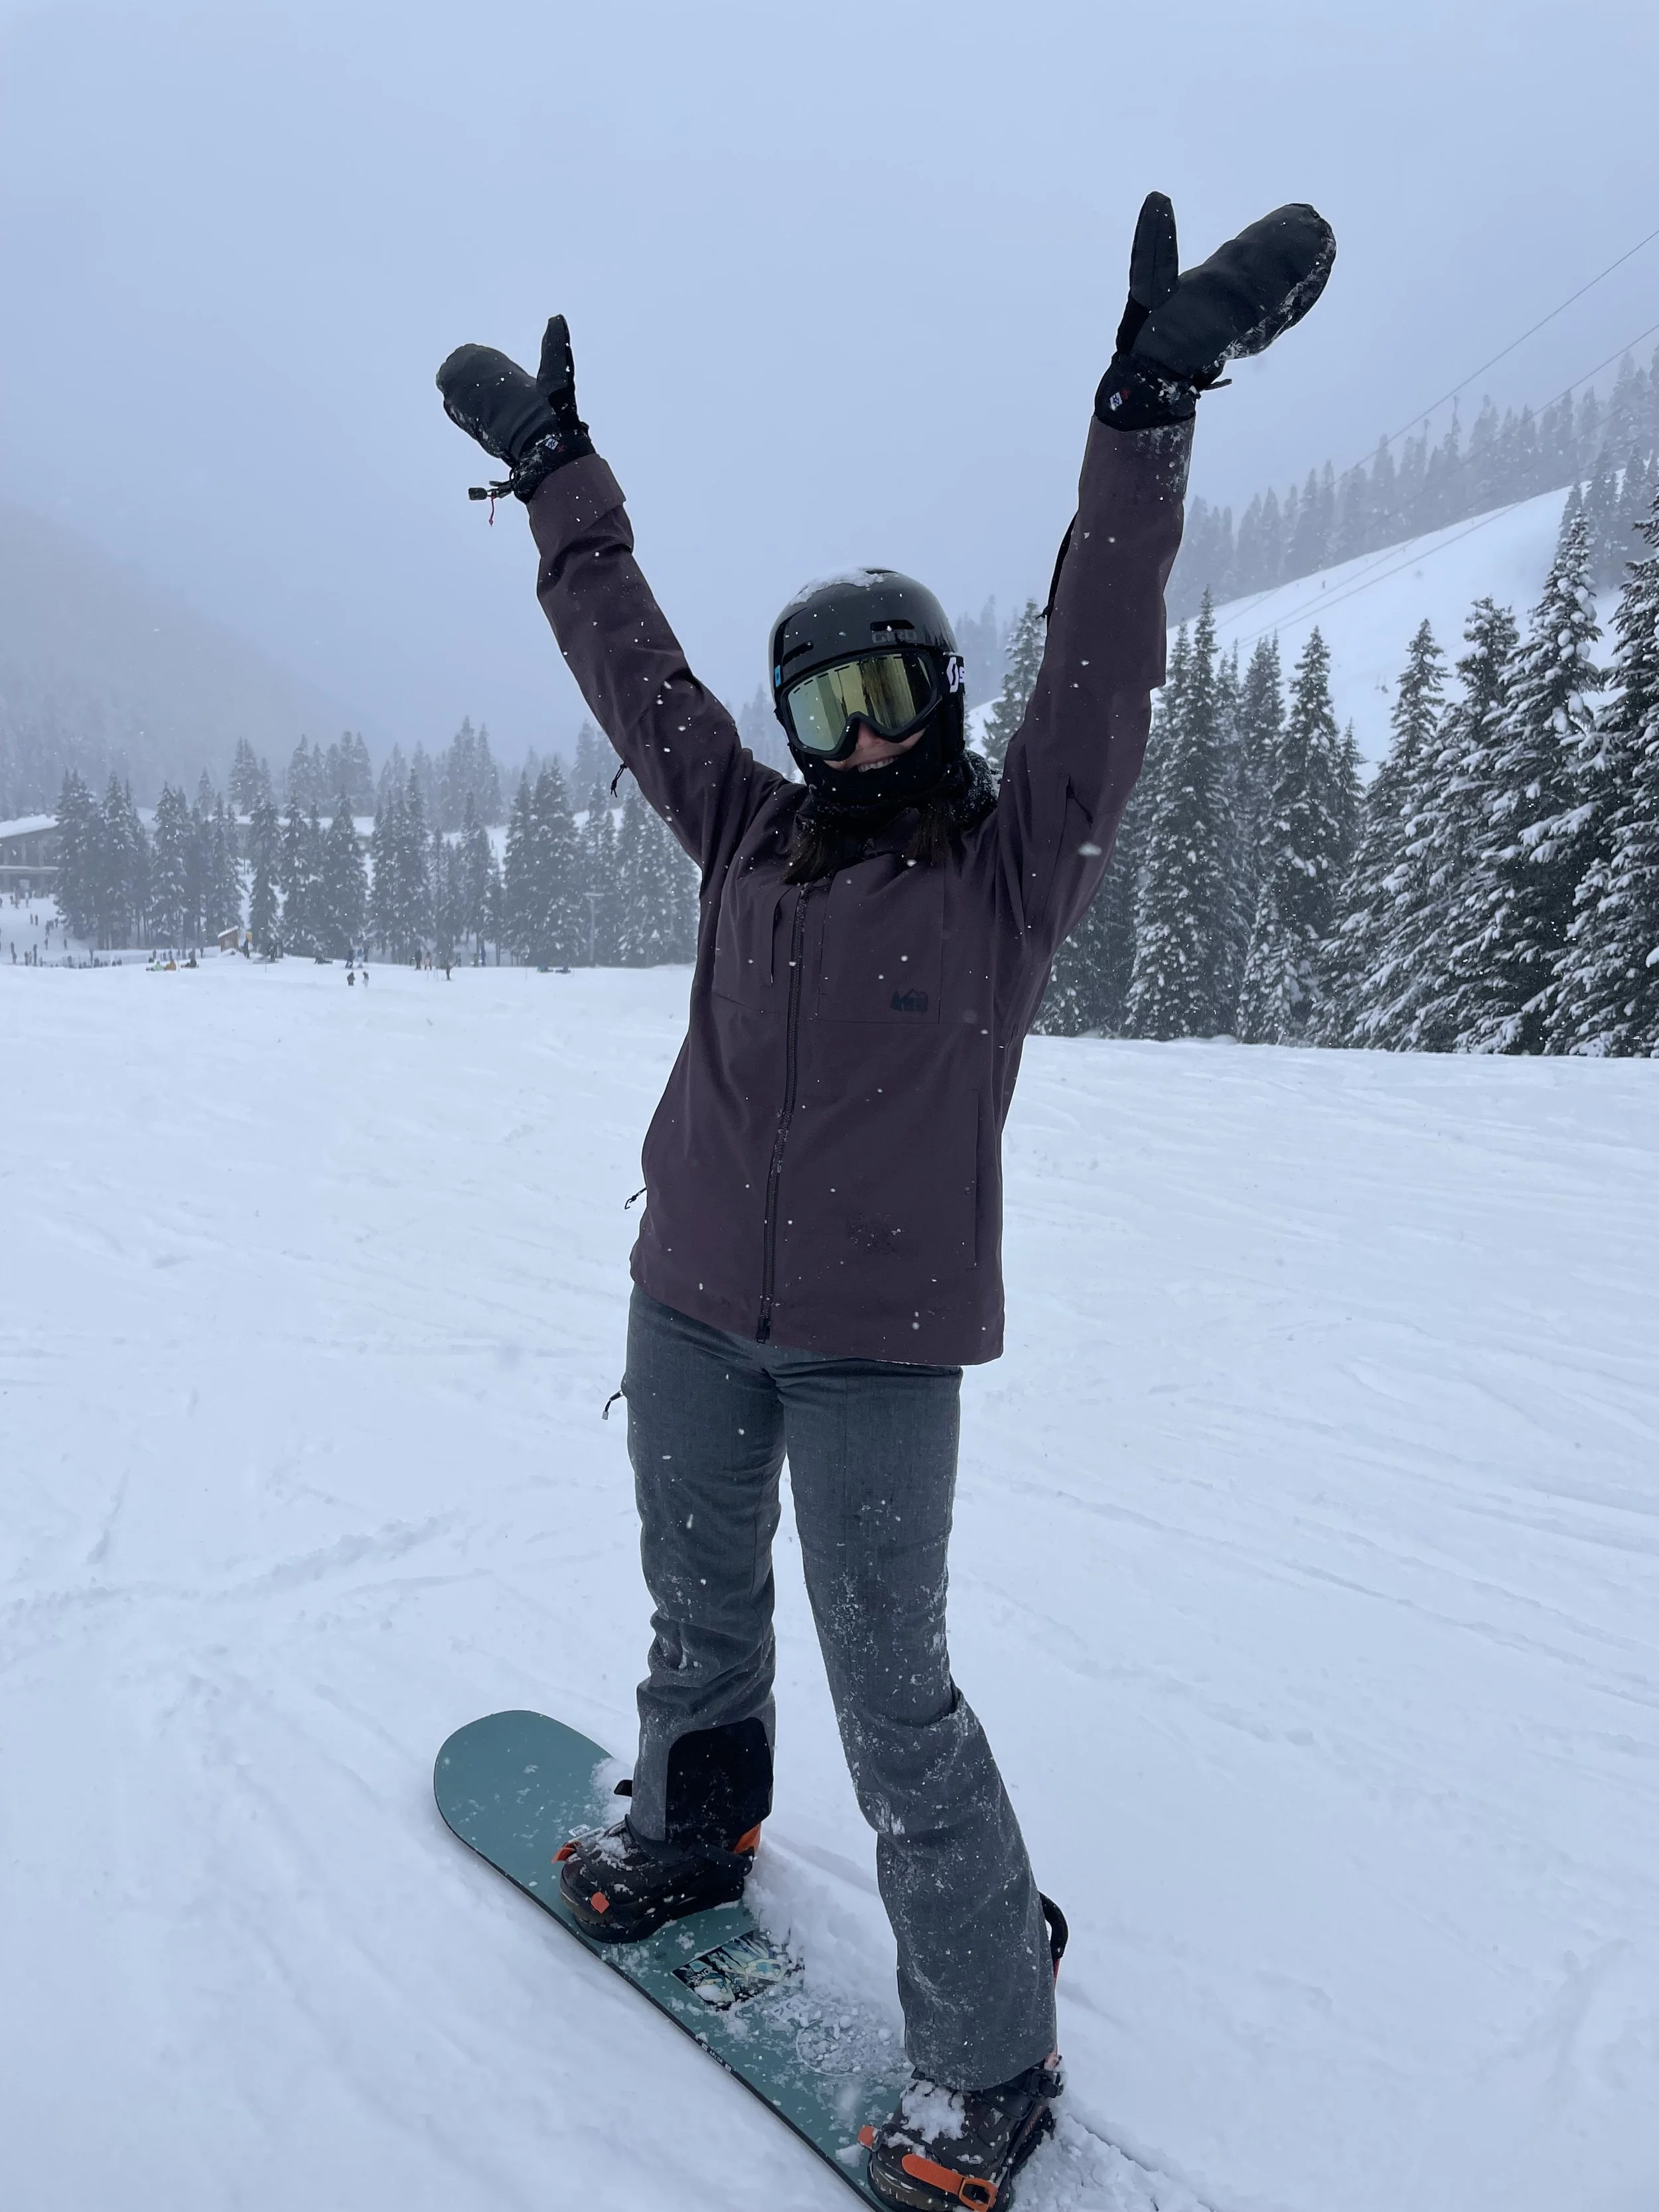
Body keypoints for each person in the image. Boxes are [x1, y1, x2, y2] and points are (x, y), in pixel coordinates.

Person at [437, 192, 1331, 2212]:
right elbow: (631, 669)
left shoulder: (1007, 872)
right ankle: (692, 1824)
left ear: (936, 700)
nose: (859, 738)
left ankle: (988, 2060)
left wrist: (1146, 405)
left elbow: (1103, 650)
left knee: (898, 1699)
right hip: (684, 1303)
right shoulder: (740, 829)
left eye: (889, 698)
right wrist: (564, 483)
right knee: (695, 1612)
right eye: (822, 707)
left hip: (874, 1352)